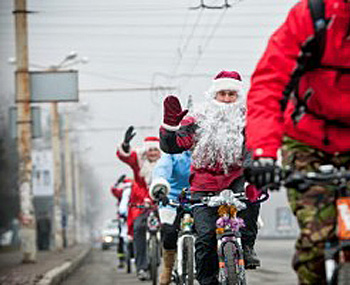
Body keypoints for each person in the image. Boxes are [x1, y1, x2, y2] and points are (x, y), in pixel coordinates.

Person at [244, 0, 350, 284]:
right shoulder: (313, 15)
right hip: (308, 140)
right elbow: (269, 84)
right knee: (318, 236)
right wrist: (265, 154)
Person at [159, 70, 261, 285]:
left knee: (254, 195)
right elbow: (174, 146)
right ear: (213, 95)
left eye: (231, 95)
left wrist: (253, 172)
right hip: (203, 183)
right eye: (221, 94)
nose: (226, 99)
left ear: (238, 97)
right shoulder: (197, 118)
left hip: (236, 178)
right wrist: (170, 128)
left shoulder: (249, 119)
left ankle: (248, 246)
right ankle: (207, 281)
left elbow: (254, 147)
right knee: (205, 238)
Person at [116, 126, 161, 281]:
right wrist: (126, 145)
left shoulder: (166, 161)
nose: (153, 153)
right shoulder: (139, 161)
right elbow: (125, 156)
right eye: (150, 150)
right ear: (146, 152)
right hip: (142, 201)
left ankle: (176, 265)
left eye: (156, 150)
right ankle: (141, 267)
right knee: (138, 229)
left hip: (164, 200)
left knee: (171, 229)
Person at [149, 151, 192, 285]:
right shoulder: (172, 154)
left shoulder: (205, 150)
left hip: (198, 198)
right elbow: (162, 169)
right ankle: (167, 268)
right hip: (171, 200)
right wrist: (160, 187)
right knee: (169, 232)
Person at [110, 175, 132, 269]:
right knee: (121, 238)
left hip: (132, 217)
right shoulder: (122, 193)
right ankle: (121, 259)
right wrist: (117, 183)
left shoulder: (134, 192)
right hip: (123, 218)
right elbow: (113, 190)